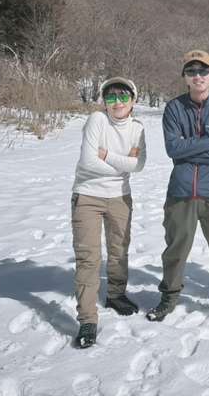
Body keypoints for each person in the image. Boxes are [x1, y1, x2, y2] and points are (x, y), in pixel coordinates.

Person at [146, 50, 209, 327]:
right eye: (192, 71)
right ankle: (168, 298)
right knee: (175, 251)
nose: (198, 76)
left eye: (203, 71)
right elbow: (173, 149)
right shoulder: (174, 108)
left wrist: (189, 148)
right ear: (185, 77)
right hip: (181, 193)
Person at [71, 76, 147, 349]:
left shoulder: (137, 128)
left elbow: (139, 165)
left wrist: (107, 156)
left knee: (119, 251)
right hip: (88, 196)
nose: (117, 102)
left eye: (123, 96)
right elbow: (87, 162)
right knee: (88, 258)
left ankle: (116, 294)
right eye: (111, 97)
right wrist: (123, 164)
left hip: (120, 198)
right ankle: (87, 319)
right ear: (104, 101)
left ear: (133, 101)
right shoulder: (97, 120)